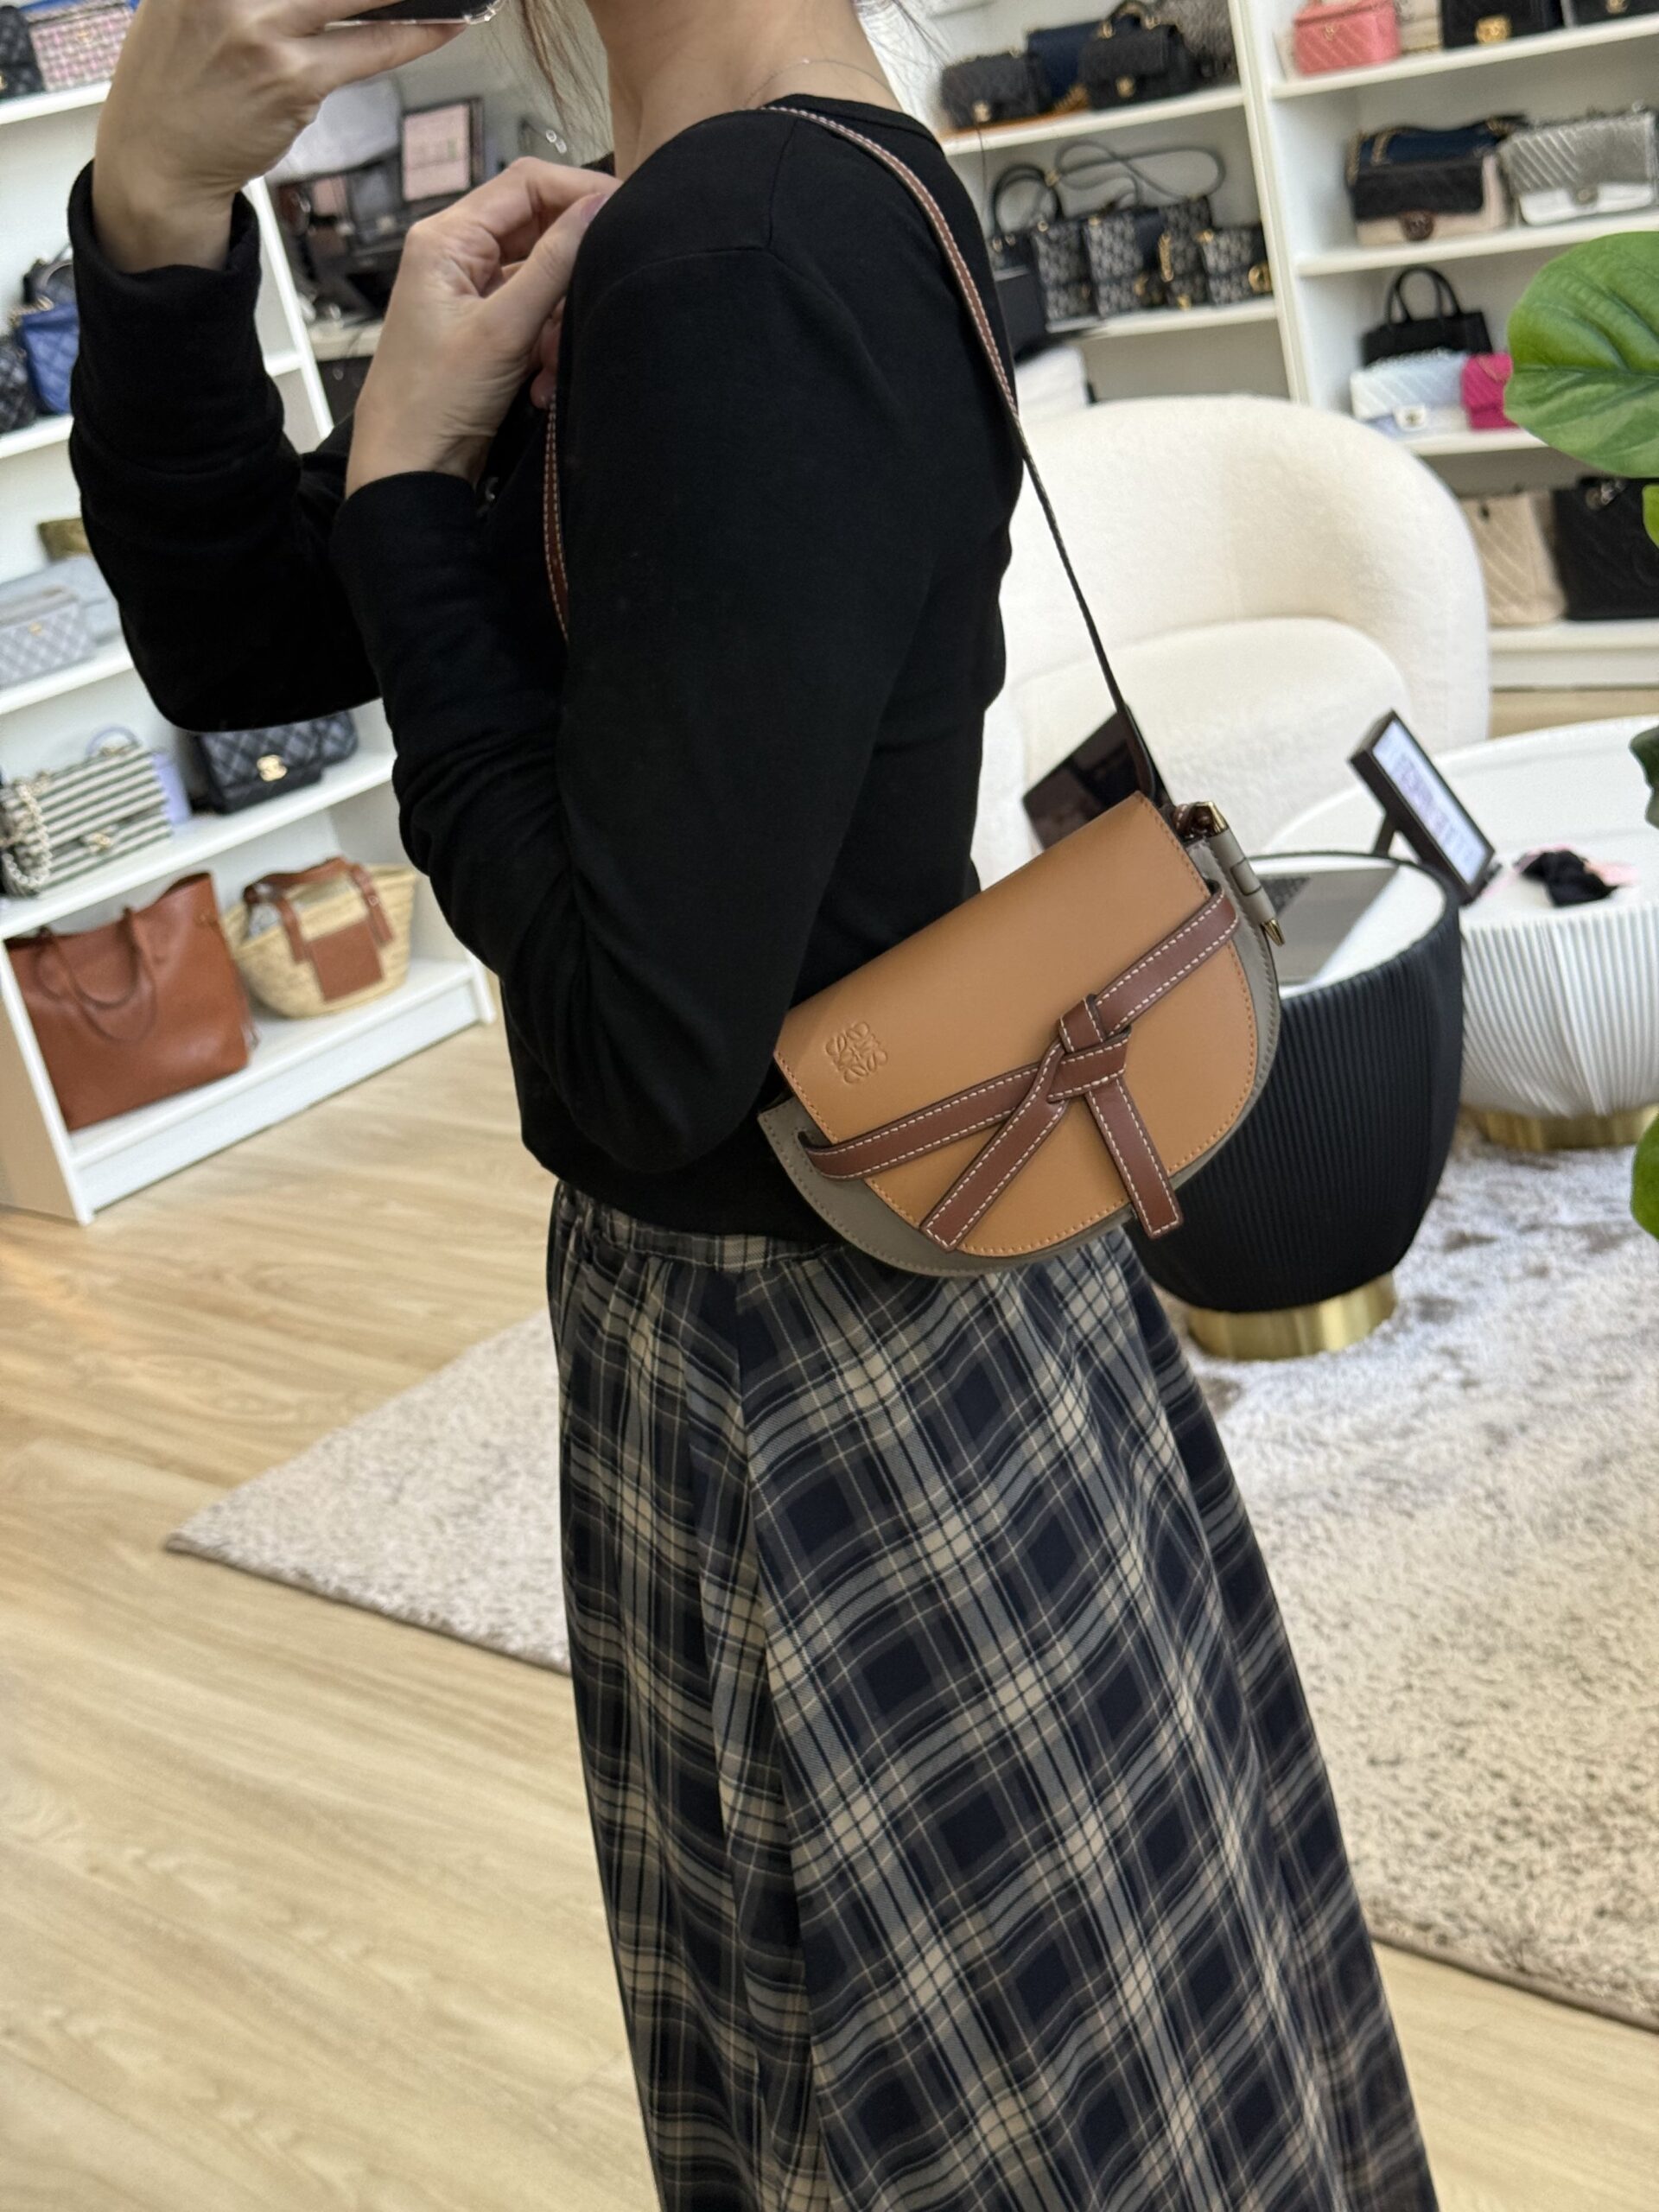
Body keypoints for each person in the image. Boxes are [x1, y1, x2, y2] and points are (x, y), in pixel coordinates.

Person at [67, 3, 1440, 2204]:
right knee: (1124, 2066)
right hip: (930, 1288)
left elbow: (635, 1047)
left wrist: (411, 483)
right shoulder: (744, 192)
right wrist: (158, 210)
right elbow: (247, 644)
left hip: (808, 1375)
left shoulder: (742, 245)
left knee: (920, 2112)